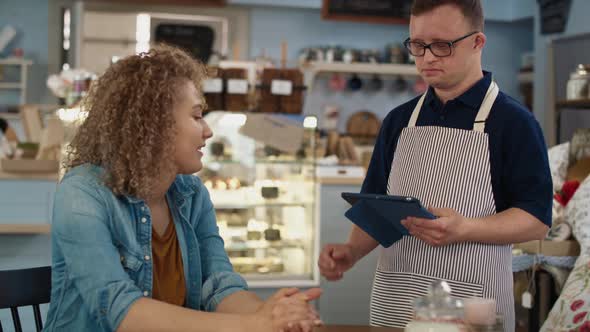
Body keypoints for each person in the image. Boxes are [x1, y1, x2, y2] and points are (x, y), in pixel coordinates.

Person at [43, 44, 322, 332]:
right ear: (154, 124)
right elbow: (120, 310)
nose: (208, 130)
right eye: (197, 115)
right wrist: (255, 323)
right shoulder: (82, 193)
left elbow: (218, 285)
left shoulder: (190, 193)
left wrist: (273, 314)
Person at [318, 0, 552, 330]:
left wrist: (466, 228)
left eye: (442, 45)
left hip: (470, 306)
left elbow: (536, 220)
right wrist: (351, 251)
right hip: (397, 300)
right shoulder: (399, 121)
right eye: (418, 45)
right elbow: (375, 208)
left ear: (477, 42)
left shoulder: (515, 123)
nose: (427, 57)